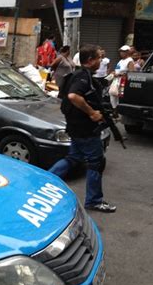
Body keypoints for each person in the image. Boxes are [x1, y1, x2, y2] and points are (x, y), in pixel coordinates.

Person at [49, 44, 116, 213]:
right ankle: (94, 200)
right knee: (96, 161)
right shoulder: (82, 77)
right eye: (99, 57)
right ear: (91, 60)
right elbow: (73, 96)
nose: (101, 60)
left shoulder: (80, 75)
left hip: (76, 127)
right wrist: (92, 112)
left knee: (73, 158)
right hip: (85, 129)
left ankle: (45, 181)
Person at [109, 45, 134, 112]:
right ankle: (115, 110)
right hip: (116, 80)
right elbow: (117, 69)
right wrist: (113, 73)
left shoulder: (130, 61)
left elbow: (131, 73)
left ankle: (119, 111)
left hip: (123, 80)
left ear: (128, 52)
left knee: (120, 96)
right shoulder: (120, 61)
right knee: (112, 94)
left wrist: (120, 74)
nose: (121, 53)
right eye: (121, 51)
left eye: (124, 51)